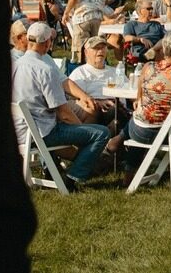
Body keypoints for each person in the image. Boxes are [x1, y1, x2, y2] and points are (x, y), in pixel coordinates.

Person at [11, 22, 110, 191]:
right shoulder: (44, 69)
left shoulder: (16, 65)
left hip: (18, 131)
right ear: (48, 42)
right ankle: (72, 179)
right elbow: (63, 113)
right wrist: (82, 132)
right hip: (41, 133)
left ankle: (68, 169)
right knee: (101, 133)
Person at [107, 30, 171, 175]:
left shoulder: (148, 68)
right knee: (142, 118)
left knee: (140, 117)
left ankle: (127, 165)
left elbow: (139, 98)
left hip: (142, 132)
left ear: (164, 49)